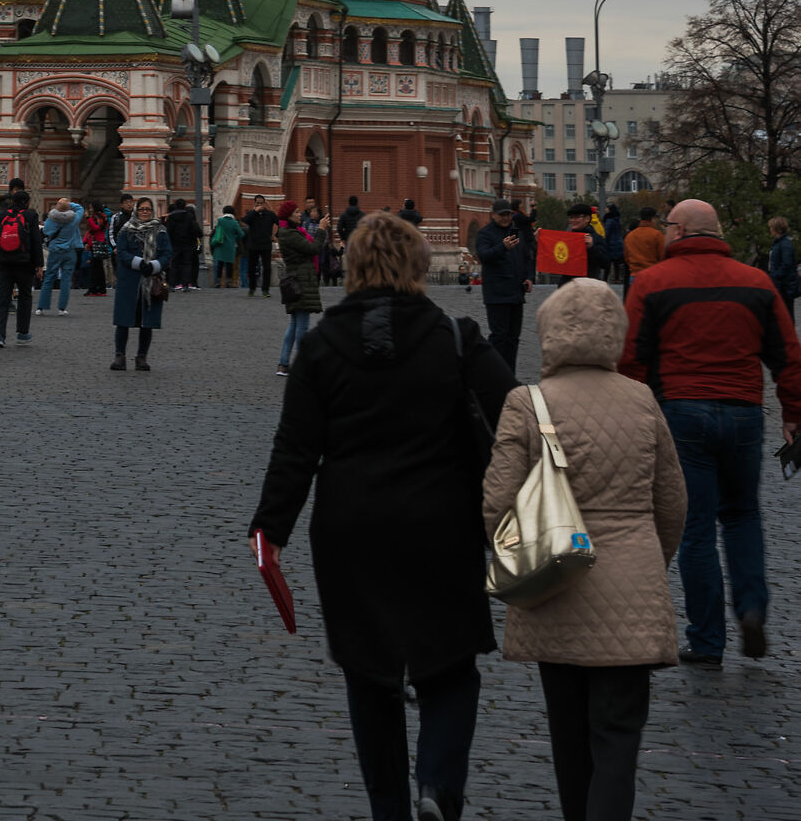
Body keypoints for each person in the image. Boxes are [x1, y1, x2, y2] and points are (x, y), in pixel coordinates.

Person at [250, 211, 515, 821]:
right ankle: (439, 786)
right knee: (450, 666)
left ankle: (390, 810)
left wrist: (270, 529)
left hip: (352, 527)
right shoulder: (455, 337)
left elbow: (295, 449)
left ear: (351, 267)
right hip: (441, 522)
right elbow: (514, 411)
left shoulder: (321, 346)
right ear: (417, 265)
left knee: (369, 676)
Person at [484, 277, 687, 821]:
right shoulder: (642, 399)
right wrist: (649, 562)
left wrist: (519, 560)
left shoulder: (526, 403)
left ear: (548, 332)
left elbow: (497, 504)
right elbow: (672, 504)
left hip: (555, 589)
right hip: (633, 591)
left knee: (569, 737)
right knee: (617, 740)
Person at [621, 196, 801, 663]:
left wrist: (634, 411)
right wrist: (793, 412)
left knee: (695, 527)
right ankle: (752, 608)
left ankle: (706, 639)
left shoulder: (653, 282)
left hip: (682, 412)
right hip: (744, 412)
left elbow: (631, 356)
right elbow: (788, 356)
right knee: (742, 515)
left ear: (678, 231)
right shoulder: (756, 282)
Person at [111, 195, 171, 372]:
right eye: (142, 209)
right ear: (136, 211)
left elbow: (167, 253)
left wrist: (154, 265)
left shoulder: (160, 231)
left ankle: (142, 357)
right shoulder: (126, 230)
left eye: (148, 209)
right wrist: (138, 262)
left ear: (153, 211)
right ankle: (120, 356)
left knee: (147, 322)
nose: (145, 212)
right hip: (128, 281)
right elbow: (121, 252)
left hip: (150, 282)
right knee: (123, 321)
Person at [475, 198, 531, 371]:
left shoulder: (516, 232)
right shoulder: (485, 234)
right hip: (497, 294)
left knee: (513, 338)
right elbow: (484, 256)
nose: (506, 218)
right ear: (493, 215)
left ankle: (510, 376)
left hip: (516, 293)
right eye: (502, 215)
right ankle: (495, 374)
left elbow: (526, 257)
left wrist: (528, 277)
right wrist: (503, 247)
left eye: (508, 214)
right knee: (499, 337)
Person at [0, 180, 42, 347]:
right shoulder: (30, 216)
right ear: (27, 203)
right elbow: (36, 241)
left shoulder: (1, 216)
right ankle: (22, 332)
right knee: (25, 297)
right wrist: (38, 264)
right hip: (24, 264)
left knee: (2, 299)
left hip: (4, 263)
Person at [275, 199, 322, 376]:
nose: (299, 214)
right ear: (288, 215)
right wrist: (322, 230)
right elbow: (313, 248)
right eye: (295, 212)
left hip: (298, 279)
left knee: (295, 325)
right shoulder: (291, 234)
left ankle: (284, 363)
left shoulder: (290, 232)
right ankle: (301, 365)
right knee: (302, 326)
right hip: (301, 281)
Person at [38, 197, 84, 314]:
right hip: (70, 250)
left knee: (49, 277)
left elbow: (46, 231)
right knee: (66, 279)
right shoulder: (74, 218)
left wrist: (61, 205)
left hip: (55, 250)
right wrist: (68, 203)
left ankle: (41, 307)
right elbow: (80, 208)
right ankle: (62, 308)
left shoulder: (51, 219)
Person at [241, 198, 277, 297]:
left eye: (261, 203)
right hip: (253, 245)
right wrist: (254, 211)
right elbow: (244, 221)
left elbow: (279, 222)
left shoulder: (270, 214)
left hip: (266, 245)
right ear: (255, 203)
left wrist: (276, 235)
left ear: (264, 203)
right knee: (251, 268)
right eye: (258, 203)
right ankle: (252, 289)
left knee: (267, 268)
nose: (260, 205)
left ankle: (265, 290)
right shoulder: (251, 214)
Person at [164, 194, 201, 291]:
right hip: (187, 244)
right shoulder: (189, 216)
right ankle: (185, 285)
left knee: (174, 264)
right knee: (186, 264)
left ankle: (172, 284)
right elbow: (195, 229)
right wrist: (195, 237)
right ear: (184, 206)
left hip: (175, 244)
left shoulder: (171, 217)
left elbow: (169, 230)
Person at [767, 214, 798, 323]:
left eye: (771, 227)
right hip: (781, 285)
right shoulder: (779, 243)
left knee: (787, 316)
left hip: (785, 287)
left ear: (777, 229)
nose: (770, 229)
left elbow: (787, 264)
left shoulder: (785, 244)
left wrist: (774, 276)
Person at [623, 206, 665, 277]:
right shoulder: (657, 235)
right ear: (653, 218)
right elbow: (662, 256)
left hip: (635, 274)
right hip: (652, 273)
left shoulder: (630, 236)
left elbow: (626, 257)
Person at [210, 204, 244, 287]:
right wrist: (234, 237)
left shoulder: (220, 221)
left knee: (220, 264)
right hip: (230, 246)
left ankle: (218, 281)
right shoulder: (234, 223)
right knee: (229, 264)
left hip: (220, 245)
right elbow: (241, 234)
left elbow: (217, 231)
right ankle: (229, 282)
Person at [82, 202, 110, 296]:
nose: (90, 210)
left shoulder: (100, 217)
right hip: (96, 243)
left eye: (91, 208)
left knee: (95, 268)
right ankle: (100, 289)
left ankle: (94, 289)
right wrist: (85, 242)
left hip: (98, 243)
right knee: (98, 268)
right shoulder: (99, 216)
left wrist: (88, 218)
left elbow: (96, 228)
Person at [602, 202, 628, 285]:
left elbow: (607, 233)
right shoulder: (617, 219)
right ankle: (617, 279)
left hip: (611, 244)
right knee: (616, 262)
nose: (605, 209)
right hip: (618, 243)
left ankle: (604, 280)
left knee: (608, 264)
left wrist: (604, 242)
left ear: (610, 210)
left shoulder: (609, 220)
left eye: (607, 208)